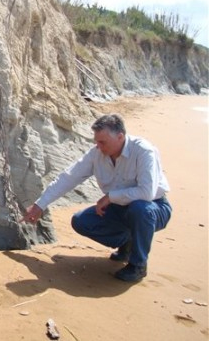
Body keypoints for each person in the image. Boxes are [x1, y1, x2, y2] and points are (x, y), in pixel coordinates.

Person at [21, 114, 172, 282]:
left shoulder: (144, 151)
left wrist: (110, 197)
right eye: (96, 141)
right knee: (81, 221)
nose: (98, 146)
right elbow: (69, 177)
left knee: (140, 209)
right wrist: (40, 205)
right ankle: (128, 242)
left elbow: (147, 193)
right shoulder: (97, 154)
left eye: (102, 142)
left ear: (120, 137)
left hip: (154, 207)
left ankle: (138, 265)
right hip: (119, 208)